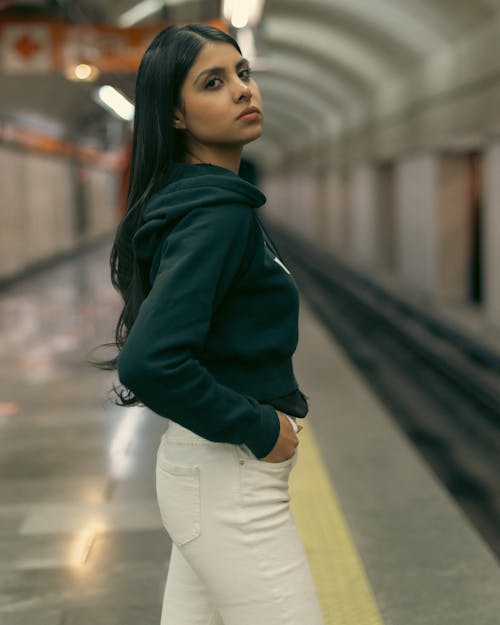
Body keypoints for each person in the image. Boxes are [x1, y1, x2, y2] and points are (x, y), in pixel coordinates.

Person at [102, 22, 324, 625]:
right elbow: (149, 362)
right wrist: (258, 427)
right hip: (231, 482)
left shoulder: (198, 201)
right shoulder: (216, 218)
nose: (242, 91)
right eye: (213, 82)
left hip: (205, 473)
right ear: (175, 116)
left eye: (243, 74)